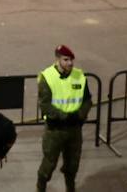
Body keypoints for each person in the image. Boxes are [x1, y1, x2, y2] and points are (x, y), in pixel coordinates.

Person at [37, 45, 92, 192]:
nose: (70, 63)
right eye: (66, 59)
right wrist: (66, 116)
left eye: (71, 60)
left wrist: (80, 115)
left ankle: (70, 188)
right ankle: (40, 187)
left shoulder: (79, 76)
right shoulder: (47, 77)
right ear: (57, 60)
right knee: (49, 164)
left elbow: (87, 100)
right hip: (55, 131)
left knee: (73, 165)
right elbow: (45, 106)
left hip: (74, 129)